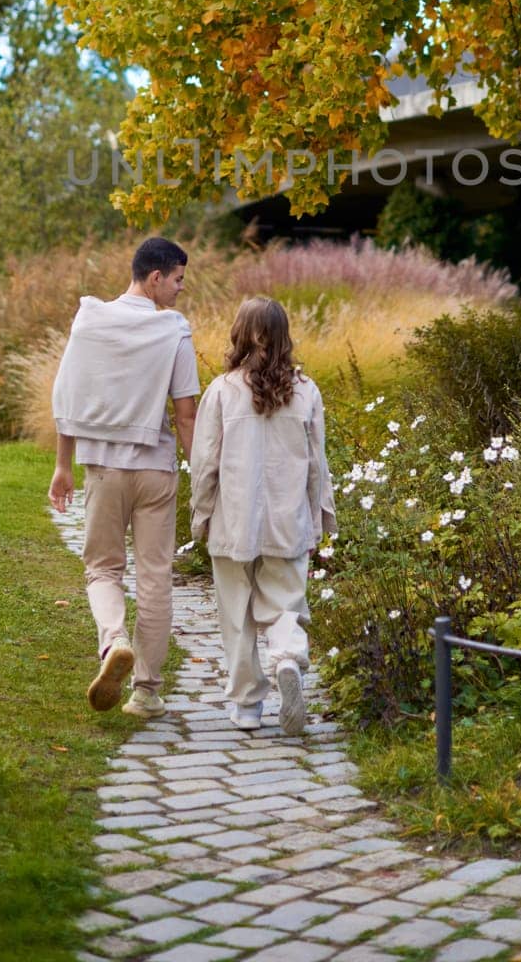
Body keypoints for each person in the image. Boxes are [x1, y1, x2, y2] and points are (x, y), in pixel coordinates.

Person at [48, 236, 199, 718]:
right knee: (155, 576)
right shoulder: (173, 331)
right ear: (155, 277)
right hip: (154, 469)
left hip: (106, 469)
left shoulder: (90, 320)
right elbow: (186, 413)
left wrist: (62, 465)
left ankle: (113, 639)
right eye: (177, 280)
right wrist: (201, 474)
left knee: (103, 569)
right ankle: (146, 692)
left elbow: (67, 395)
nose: (179, 290)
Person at [190, 297, 336, 735]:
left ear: (242, 333)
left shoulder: (222, 390)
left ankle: (248, 705)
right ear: (283, 335)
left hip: (233, 519)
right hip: (287, 519)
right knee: (287, 603)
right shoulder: (306, 391)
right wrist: (319, 517)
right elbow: (317, 463)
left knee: (236, 613)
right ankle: (288, 659)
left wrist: (200, 514)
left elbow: (205, 464)